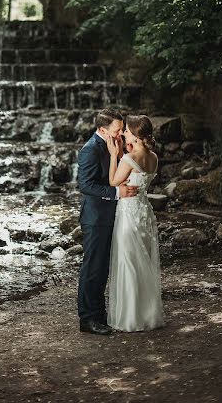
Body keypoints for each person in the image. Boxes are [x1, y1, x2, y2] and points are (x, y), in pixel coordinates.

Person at [77, 108, 139, 335]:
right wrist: (116, 193)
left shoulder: (113, 144)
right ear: (102, 129)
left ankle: (99, 315)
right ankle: (87, 319)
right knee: (92, 268)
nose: (121, 133)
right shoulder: (90, 150)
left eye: (122, 129)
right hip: (95, 218)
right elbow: (85, 185)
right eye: (117, 130)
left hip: (110, 216)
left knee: (102, 268)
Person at [106, 114, 166, 332]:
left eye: (127, 131)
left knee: (129, 262)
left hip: (129, 213)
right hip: (145, 212)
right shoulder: (153, 158)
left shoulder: (128, 159)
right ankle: (147, 313)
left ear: (137, 136)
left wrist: (115, 156)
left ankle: (131, 317)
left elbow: (114, 181)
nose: (123, 133)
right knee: (143, 261)